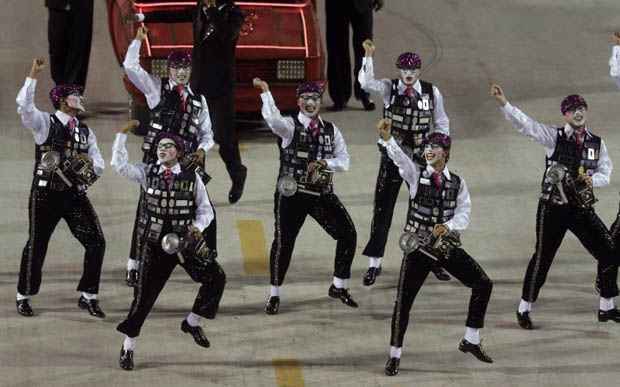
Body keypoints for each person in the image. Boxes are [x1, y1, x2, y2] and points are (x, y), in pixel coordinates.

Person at [490, 83, 620, 329]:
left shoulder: (597, 144)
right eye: (572, 110)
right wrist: (504, 103)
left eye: (581, 108)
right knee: (542, 258)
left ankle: (607, 306)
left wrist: (593, 180)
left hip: (581, 209)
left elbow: (607, 171)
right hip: (553, 208)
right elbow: (526, 125)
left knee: (609, 251)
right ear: (565, 115)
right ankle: (524, 308)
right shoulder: (554, 137)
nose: (578, 112)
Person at [376, 119, 493, 376]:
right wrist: (388, 140)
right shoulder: (416, 174)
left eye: (435, 147)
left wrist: (448, 226)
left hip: (443, 247)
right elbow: (401, 160)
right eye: (428, 146)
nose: (429, 150)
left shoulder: (458, 183)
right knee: (403, 303)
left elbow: (464, 212)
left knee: (483, 283)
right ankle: (394, 355)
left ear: (446, 153)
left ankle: (471, 339)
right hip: (418, 250)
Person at [112, 123, 226, 371]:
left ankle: (193, 321)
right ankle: (128, 346)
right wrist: (121, 135)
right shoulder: (146, 172)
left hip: (184, 241)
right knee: (143, 298)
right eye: (159, 146)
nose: (162, 150)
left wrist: (197, 227)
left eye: (168, 146)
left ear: (178, 151)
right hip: (155, 245)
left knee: (216, 277)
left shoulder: (191, 176)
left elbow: (205, 209)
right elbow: (120, 166)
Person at [254, 78, 358, 315]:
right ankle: (274, 294)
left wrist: (325, 163)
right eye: (305, 99)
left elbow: (344, 161)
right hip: (292, 196)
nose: (310, 103)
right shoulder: (289, 127)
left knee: (348, 234)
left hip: (320, 194)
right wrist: (266, 93)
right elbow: (272, 119)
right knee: (283, 243)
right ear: (298, 101)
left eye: (315, 99)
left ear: (320, 102)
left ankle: (338, 285)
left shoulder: (331, 130)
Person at [122, 26, 216, 288]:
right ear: (169, 69)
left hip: (186, 166)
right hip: (159, 161)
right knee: (147, 212)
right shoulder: (155, 89)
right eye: (177, 67)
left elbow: (208, 134)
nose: (182, 72)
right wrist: (138, 40)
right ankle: (134, 264)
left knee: (200, 209)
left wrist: (201, 150)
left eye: (186, 67)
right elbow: (130, 66)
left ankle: (203, 257)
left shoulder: (199, 101)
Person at [15, 58, 106, 318]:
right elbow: (24, 107)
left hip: (74, 195)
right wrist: (33, 74)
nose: (80, 97)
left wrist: (87, 174)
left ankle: (89, 295)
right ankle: (24, 294)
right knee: (37, 244)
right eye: (75, 95)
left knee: (96, 241)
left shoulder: (85, 131)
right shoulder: (44, 123)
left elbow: (98, 162)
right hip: (46, 196)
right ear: (64, 100)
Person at [133, 0, 247, 203]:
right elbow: (176, 14)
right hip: (198, 84)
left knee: (224, 138)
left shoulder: (234, 14)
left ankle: (238, 174)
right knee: (193, 136)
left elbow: (226, 35)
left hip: (220, 88)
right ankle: (197, 186)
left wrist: (211, 11)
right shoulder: (201, 9)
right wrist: (144, 17)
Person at [358, 40, 451, 285]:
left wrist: (441, 148)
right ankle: (374, 262)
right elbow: (366, 83)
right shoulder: (390, 88)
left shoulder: (432, 92)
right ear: (399, 70)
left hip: (421, 159)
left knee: (426, 212)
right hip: (393, 155)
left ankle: (431, 260)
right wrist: (368, 56)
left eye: (413, 70)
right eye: (404, 70)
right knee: (383, 208)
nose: (408, 74)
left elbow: (441, 121)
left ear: (419, 71)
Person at [325, 0, 383, 111]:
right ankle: (339, 97)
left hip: (363, 3)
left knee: (365, 48)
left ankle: (364, 93)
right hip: (336, 5)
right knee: (337, 48)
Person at [45, 0, 94, 89]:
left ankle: (74, 94)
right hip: (57, 5)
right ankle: (61, 88)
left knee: (79, 49)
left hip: (82, 6)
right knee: (57, 47)